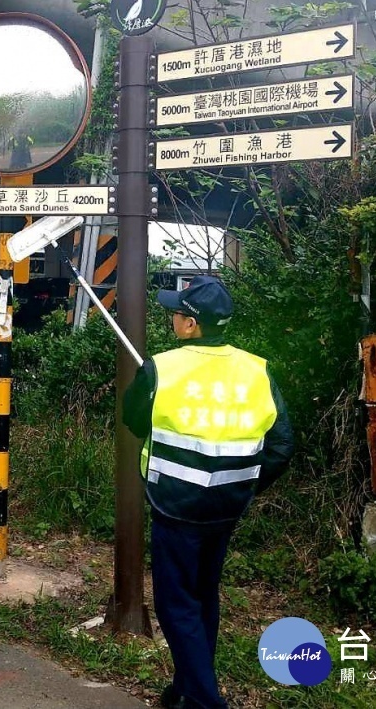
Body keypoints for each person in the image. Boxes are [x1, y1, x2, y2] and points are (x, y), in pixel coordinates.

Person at [124, 275, 294, 709]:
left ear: (191, 324)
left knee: (177, 603)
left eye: (177, 313)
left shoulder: (162, 368)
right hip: (226, 509)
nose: (172, 318)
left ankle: (203, 699)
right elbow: (281, 446)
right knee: (203, 597)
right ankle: (184, 689)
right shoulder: (256, 369)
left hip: (175, 506)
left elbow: (134, 420)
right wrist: (246, 489)